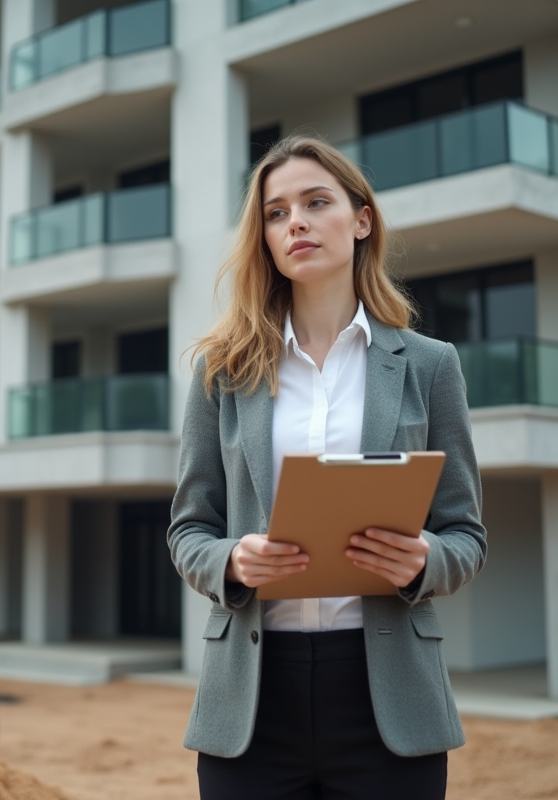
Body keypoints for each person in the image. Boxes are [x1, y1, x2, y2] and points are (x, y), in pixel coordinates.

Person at [167, 134, 486, 800]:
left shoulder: (430, 366)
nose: (296, 223)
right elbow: (189, 531)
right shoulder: (221, 372)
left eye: (316, 202)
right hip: (252, 700)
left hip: (386, 697)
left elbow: (467, 536)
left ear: (361, 219)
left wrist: (424, 558)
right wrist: (232, 560)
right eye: (277, 213)